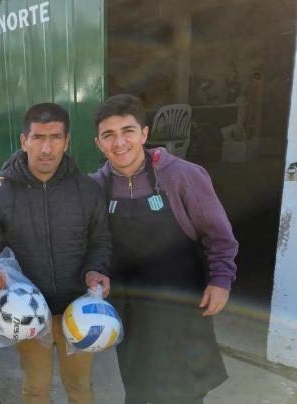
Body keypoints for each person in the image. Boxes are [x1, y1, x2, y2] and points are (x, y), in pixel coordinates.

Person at [91, 94, 236, 404]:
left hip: (181, 300)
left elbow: (219, 235)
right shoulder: (94, 187)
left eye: (128, 131)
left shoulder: (182, 176)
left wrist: (221, 280)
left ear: (144, 134)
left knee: (185, 388)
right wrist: (8, 176)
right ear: (98, 143)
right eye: (109, 135)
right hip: (130, 305)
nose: (119, 143)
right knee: (139, 385)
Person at [0, 103, 112, 404]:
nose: (46, 147)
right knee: (36, 388)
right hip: (28, 312)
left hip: (78, 311)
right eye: (38, 137)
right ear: (24, 141)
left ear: (67, 140)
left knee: (80, 388)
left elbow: (101, 240)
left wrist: (96, 269)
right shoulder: (0, 196)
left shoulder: (87, 191)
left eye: (55, 137)